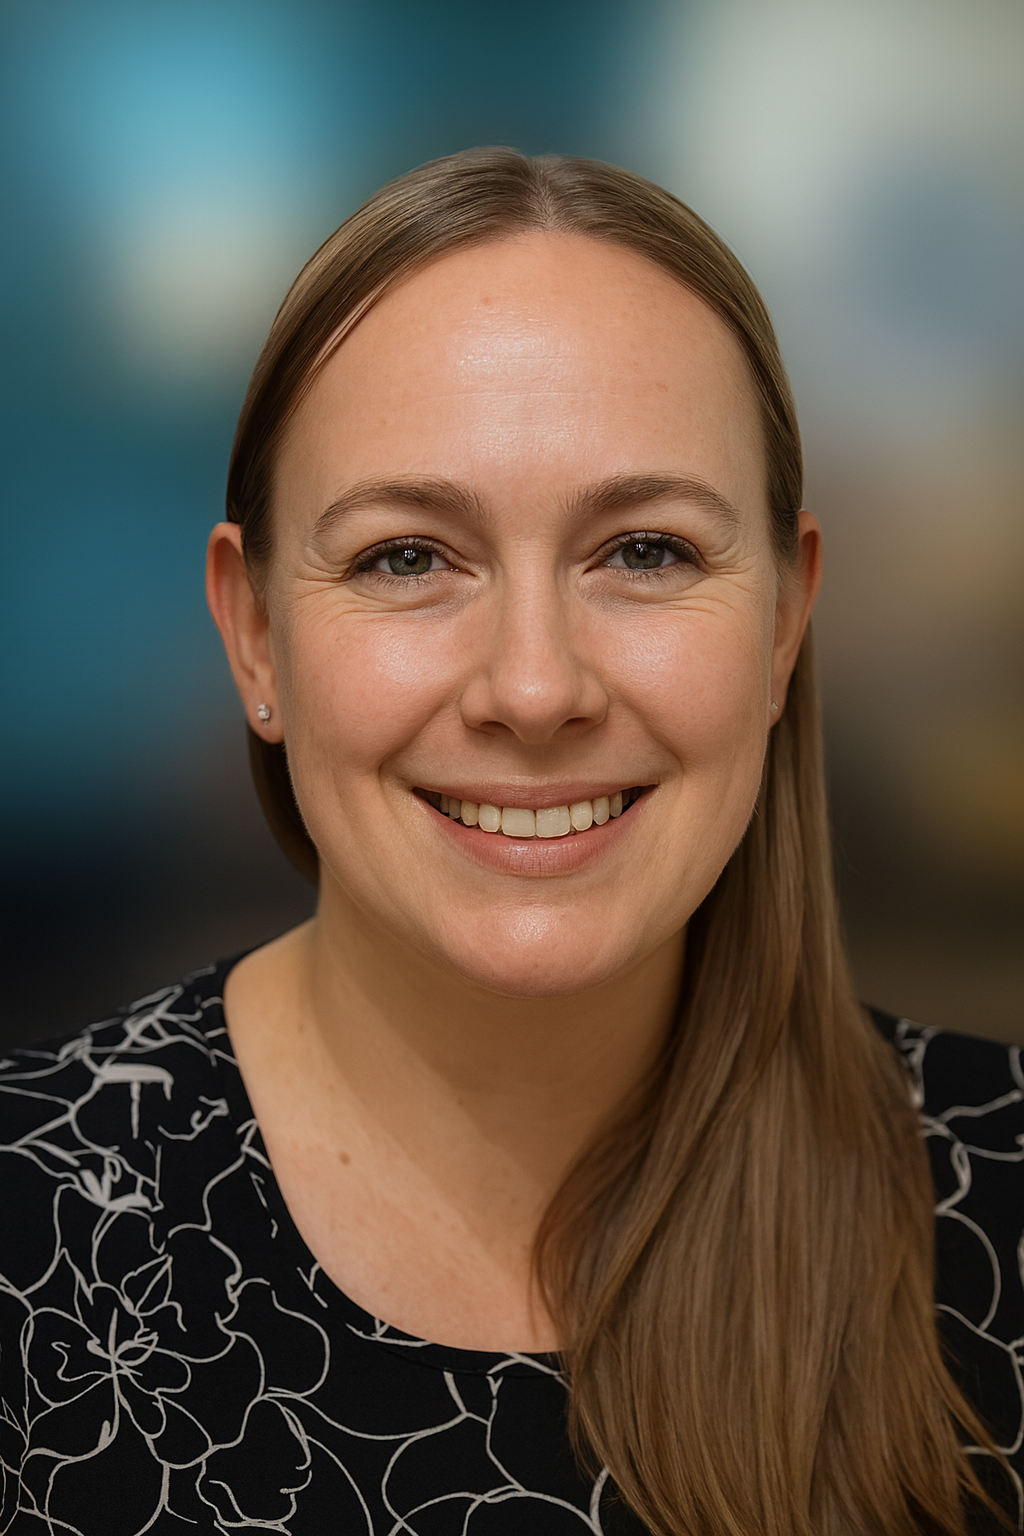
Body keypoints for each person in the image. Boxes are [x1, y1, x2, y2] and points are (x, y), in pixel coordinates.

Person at [1, 148, 1021, 1536]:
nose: (534, 689)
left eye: (646, 551)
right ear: (254, 636)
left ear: (786, 619)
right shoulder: (29, 1237)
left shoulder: (1003, 1196)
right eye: (407, 557)